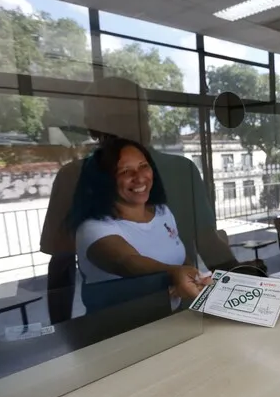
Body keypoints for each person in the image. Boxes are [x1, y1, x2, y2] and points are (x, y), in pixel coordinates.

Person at [40, 77, 238, 322]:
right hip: (118, 326)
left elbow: (207, 242)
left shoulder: (180, 176)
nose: (131, 127)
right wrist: (60, 333)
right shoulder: (74, 178)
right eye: (118, 119)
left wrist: (246, 288)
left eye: (138, 116)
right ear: (93, 127)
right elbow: (68, 263)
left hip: (185, 312)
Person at [67, 137, 210, 307]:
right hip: (119, 329)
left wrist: (194, 277)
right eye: (125, 171)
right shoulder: (93, 227)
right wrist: (174, 273)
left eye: (143, 166)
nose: (140, 178)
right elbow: (127, 262)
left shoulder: (162, 212)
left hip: (169, 323)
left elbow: (180, 257)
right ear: (104, 181)